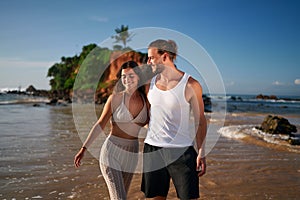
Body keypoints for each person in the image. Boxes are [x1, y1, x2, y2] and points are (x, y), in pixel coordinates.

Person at [141, 39, 207, 200]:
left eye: (151, 57)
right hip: (153, 150)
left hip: (181, 152)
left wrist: (201, 152)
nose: (148, 61)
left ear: (164, 57)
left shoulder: (191, 84)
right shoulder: (150, 83)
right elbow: (148, 114)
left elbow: (201, 120)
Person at [74, 61, 149, 200]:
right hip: (111, 152)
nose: (127, 80)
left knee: (121, 197)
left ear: (138, 77)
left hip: (131, 154)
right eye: (124, 76)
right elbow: (100, 123)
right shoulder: (115, 98)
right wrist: (84, 148)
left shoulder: (146, 100)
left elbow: (151, 124)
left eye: (131, 76)